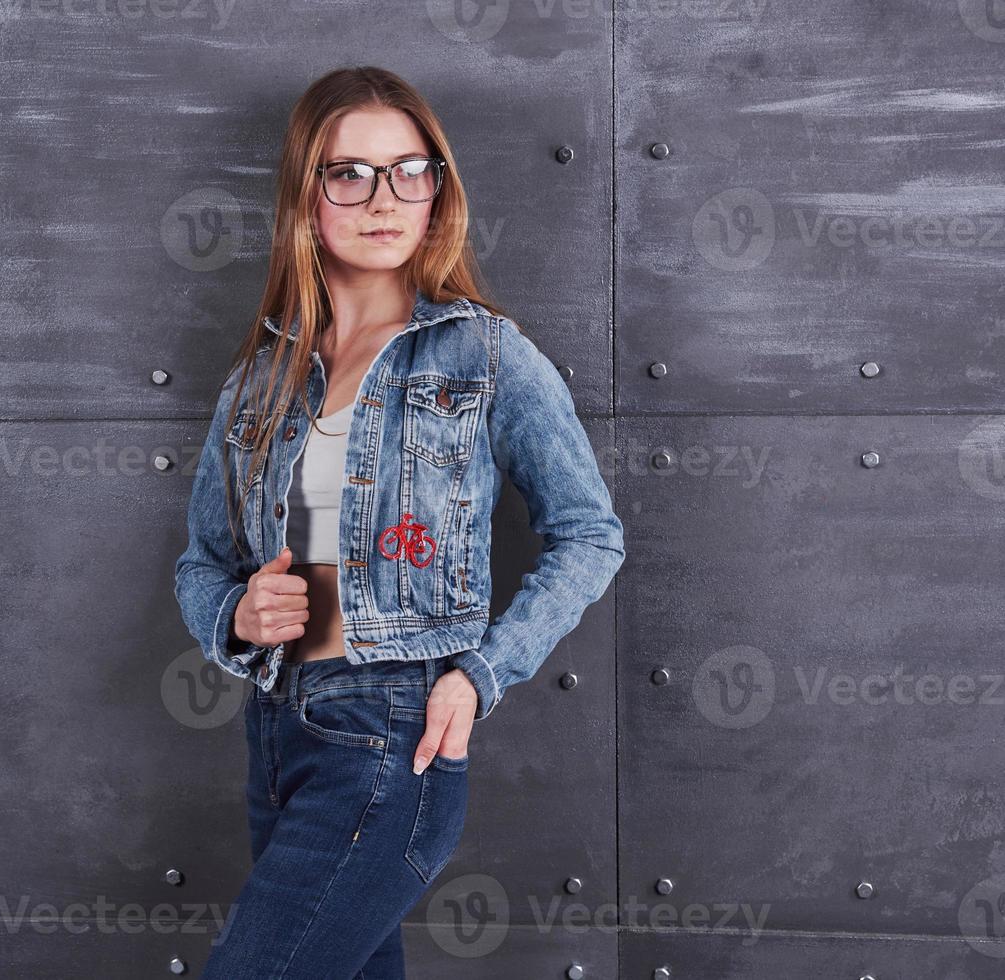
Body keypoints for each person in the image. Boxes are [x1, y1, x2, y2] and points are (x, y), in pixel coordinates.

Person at [172, 65, 625, 978]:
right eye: (350, 173)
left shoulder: (487, 353)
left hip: (390, 735)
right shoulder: (259, 377)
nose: (384, 199)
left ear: (436, 189)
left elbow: (589, 534)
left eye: (409, 171)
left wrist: (479, 676)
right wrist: (233, 617)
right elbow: (201, 564)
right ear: (307, 194)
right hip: (275, 732)